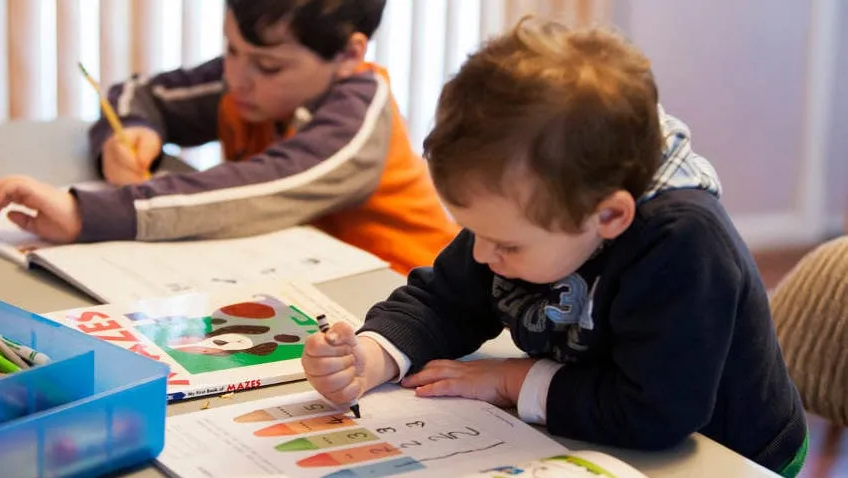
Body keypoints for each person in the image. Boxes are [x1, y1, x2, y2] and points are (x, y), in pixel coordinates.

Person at [302, 18, 808, 477]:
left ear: (609, 216)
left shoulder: (684, 243)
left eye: (503, 243)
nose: (480, 255)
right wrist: (371, 358)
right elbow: (447, 300)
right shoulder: (530, 213)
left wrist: (510, 380)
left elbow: (657, 414)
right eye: (474, 232)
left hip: (729, 452)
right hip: (596, 422)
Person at [0, 0, 458, 274]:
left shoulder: (360, 118)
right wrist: (135, 131)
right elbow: (139, 94)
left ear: (348, 53)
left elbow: (255, 189)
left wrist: (88, 213)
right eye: (231, 50)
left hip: (410, 300)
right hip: (302, 280)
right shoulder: (248, 84)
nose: (237, 78)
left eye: (269, 65)